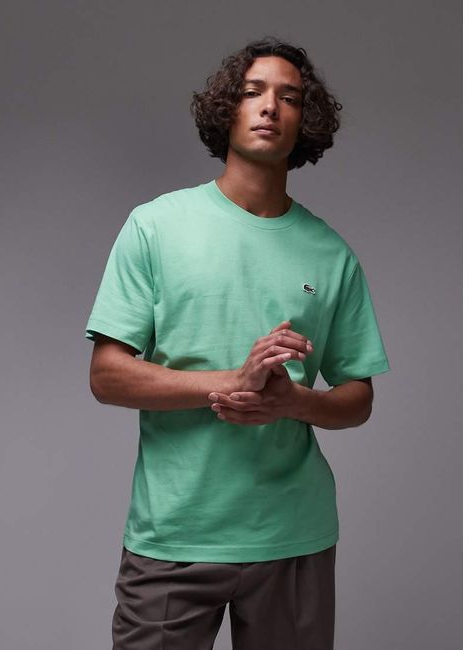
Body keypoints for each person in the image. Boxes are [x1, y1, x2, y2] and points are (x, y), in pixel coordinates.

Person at [85, 35, 390, 650]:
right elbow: (107, 376)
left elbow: (358, 396)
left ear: (305, 122)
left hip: (294, 536)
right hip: (174, 533)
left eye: (290, 97)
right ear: (227, 109)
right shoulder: (155, 226)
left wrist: (294, 402)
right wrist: (234, 380)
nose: (270, 106)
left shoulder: (331, 254)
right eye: (253, 92)